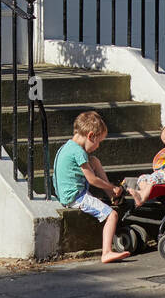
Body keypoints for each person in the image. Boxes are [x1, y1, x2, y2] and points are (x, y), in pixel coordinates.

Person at [52, 110, 132, 263]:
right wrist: (111, 186)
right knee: (112, 215)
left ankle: (112, 196)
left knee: (94, 160)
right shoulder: (79, 152)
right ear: (90, 136)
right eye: (98, 141)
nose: (98, 146)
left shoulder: (69, 146)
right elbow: (92, 180)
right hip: (75, 197)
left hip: (67, 193)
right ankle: (107, 252)